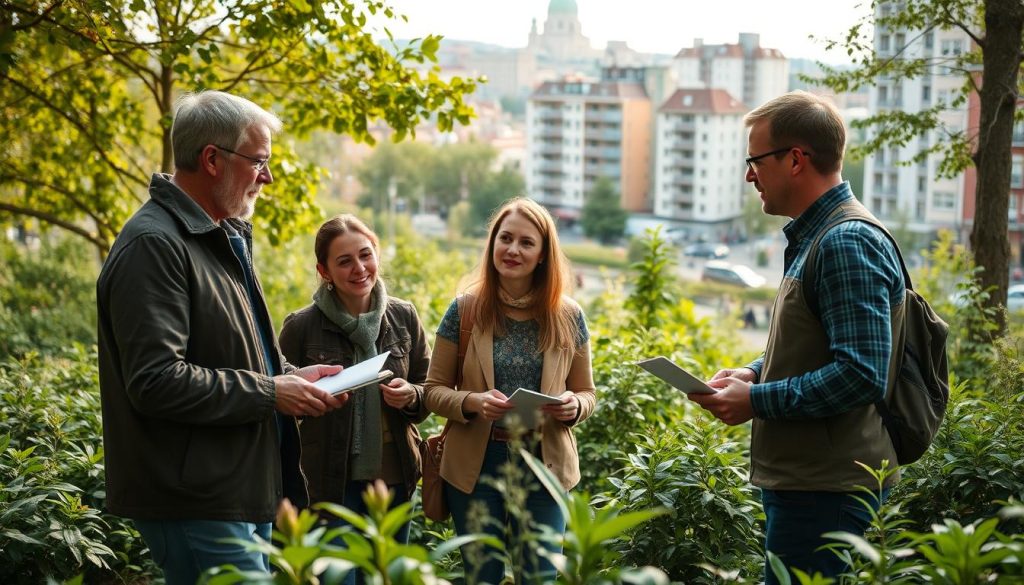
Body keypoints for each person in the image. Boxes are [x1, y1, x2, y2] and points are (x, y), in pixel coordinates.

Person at [97, 90, 347, 585]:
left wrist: (291, 377)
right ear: (212, 159)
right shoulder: (156, 245)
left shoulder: (217, 234)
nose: (267, 177)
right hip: (196, 498)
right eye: (259, 161)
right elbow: (155, 380)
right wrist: (272, 392)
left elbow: (227, 354)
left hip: (235, 489)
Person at [687, 91, 905, 583]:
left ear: (795, 160)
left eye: (754, 160)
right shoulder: (818, 236)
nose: (749, 175)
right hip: (812, 483)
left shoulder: (846, 241)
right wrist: (754, 373)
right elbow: (817, 344)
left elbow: (861, 374)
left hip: (825, 491)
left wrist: (757, 400)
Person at [424, 198, 595, 584]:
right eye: (506, 238)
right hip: (475, 464)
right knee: (481, 576)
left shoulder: (568, 315)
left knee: (540, 576)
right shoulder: (464, 309)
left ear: (542, 255)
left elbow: (587, 392)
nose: (513, 250)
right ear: (493, 244)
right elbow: (433, 390)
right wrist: (471, 402)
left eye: (526, 242)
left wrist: (574, 406)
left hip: (544, 463)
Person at [277, 215, 430, 556]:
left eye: (365, 255)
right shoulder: (301, 327)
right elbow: (279, 401)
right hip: (329, 480)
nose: (359, 268)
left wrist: (411, 396)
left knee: (387, 576)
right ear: (324, 272)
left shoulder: (404, 316)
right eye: (344, 261)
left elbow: (429, 387)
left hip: (396, 476)